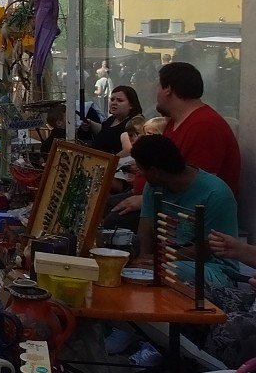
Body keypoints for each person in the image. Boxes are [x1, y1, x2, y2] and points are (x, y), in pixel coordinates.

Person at [112, 62, 240, 219]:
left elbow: (197, 190)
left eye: (158, 86)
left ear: (168, 89)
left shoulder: (205, 126)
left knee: (114, 219)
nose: (155, 93)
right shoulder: (174, 122)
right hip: (159, 201)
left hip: (183, 214)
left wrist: (145, 200)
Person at [131, 135, 239, 286]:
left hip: (214, 268)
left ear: (154, 171)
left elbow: (209, 248)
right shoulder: (154, 186)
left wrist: (160, 261)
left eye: (141, 169)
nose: (139, 174)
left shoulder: (216, 194)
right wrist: (141, 263)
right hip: (167, 261)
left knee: (165, 271)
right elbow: (145, 232)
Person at [85, 85, 142, 154]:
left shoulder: (132, 124)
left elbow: (128, 149)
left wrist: (111, 162)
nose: (114, 103)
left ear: (131, 105)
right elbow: (106, 131)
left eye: (119, 100)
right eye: (112, 100)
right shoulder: (112, 119)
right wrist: (90, 123)